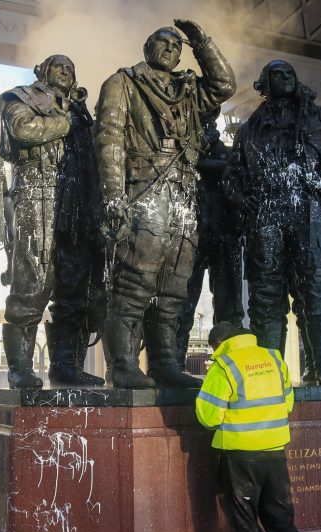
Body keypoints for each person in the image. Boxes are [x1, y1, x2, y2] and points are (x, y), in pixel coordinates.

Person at [95, 19, 236, 389]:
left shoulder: (187, 90)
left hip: (183, 195)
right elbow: (109, 141)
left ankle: (163, 362)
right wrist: (113, 197)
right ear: (147, 48)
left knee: (174, 284)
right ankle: (122, 364)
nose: (171, 48)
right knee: (134, 281)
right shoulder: (122, 83)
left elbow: (224, 85)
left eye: (177, 45)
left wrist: (202, 42)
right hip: (145, 188)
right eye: (163, 42)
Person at [224, 60, 321, 385]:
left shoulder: (317, 118)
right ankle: (269, 374)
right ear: (265, 84)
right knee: (266, 297)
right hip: (266, 219)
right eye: (277, 74)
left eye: (289, 73)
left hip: (309, 214)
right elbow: (232, 176)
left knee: (318, 290)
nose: (284, 78)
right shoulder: (251, 128)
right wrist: (243, 199)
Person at [0, 54, 105, 389]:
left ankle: (65, 367)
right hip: (38, 197)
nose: (66, 71)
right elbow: (22, 129)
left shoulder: (79, 112)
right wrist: (66, 123)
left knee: (74, 290)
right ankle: (19, 369)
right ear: (41, 72)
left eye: (71, 67)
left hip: (78, 206)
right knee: (32, 284)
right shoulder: (20, 98)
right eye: (58, 65)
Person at [195, 321, 299, 532]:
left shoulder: (224, 365)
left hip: (240, 457)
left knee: (245, 521)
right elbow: (288, 402)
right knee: (281, 516)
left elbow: (208, 416)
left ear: (219, 343)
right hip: (275, 451)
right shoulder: (273, 358)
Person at [175, 108, 245, 370]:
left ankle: (234, 361)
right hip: (192, 236)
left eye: (209, 122)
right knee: (182, 301)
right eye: (200, 122)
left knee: (229, 304)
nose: (206, 128)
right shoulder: (183, 153)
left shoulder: (225, 155)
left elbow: (234, 172)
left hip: (224, 236)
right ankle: (174, 363)